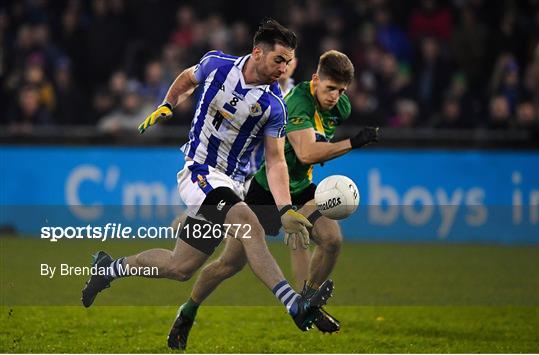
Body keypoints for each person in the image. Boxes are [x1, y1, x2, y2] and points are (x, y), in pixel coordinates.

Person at [80, 19, 334, 347]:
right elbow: (188, 78)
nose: (284, 68)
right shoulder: (217, 65)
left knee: (181, 266)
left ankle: (109, 268)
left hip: (235, 183)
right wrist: (168, 104)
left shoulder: (274, 106)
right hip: (200, 171)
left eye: (288, 62)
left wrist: (285, 207)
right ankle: (293, 304)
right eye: (279, 60)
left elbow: (275, 160)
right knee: (247, 223)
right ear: (258, 53)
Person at [172, 50, 379, 349]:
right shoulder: (295, 103)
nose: (335, 96)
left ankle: (308, 301)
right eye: (330, 88)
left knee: (332, 240)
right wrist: (352, 143)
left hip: (302, 187)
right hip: (267, 190)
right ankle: (188, 310)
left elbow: (308, 156)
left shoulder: (340, 107)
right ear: (315, 79)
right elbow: (306, 153)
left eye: (341, 90)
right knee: (229, 265)